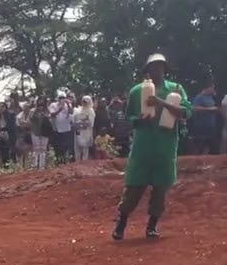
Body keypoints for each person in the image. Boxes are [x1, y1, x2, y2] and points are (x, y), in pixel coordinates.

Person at [111, 53, 192, 240]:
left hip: (166, 145)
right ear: (147, 70)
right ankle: (121, 224)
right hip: (143, 145)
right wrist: (138, 119)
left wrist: (161, 103)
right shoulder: (136, 91)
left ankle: (152, 226)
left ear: (165, 69)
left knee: (161, 188)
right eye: (153, 67)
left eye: (160, 66)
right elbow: (129, 117)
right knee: (134, 186)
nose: (157, 70)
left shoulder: (176, 90)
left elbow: (187, 112)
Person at [188, 83, 218, 155]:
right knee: (199, 147)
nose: (213, 89)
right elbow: (194, 108)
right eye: (212, 88)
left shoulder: (211, 98)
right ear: (208, 88)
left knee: (213, 148)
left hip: (210, 126)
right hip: (201, 126)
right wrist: (209, 109)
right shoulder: (199, 97)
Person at [49, 93, 74, 163]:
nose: (62, 99)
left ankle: (64, 161)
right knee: (57, 147)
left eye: (63, 98)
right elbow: (52, 114)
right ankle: (58, 161)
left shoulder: (68, 105)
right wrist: (60, 108)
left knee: (65, 147)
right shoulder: (53, 105)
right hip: (57, 129)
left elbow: (71, 112)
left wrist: (68, 104)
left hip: (66, 129)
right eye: (60, 98)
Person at [29, 97, 52, 169]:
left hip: (45, 132)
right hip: (35, 131)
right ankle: (35, 165)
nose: (41, 105)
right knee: (36, 149)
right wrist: (36, 110)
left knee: (43, 149)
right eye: (39, 103)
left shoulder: (47, 111)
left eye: (42, 103)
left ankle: (42, 165)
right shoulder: (33, 110)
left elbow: (49, 117)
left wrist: (45, 114)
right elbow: (31, 118)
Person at [73, 96, 96, 161]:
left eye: (86, 102)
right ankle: (77, 162)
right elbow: (74, 121)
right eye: (83, 101)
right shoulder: (77, 110)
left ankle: (84, 164)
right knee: (77, 148)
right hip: (78, 131)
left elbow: (91, 123)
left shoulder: (91, 111)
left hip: (86, 132)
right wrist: (79, 124)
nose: (84, 103)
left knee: (85, 149)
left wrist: (81, 123)